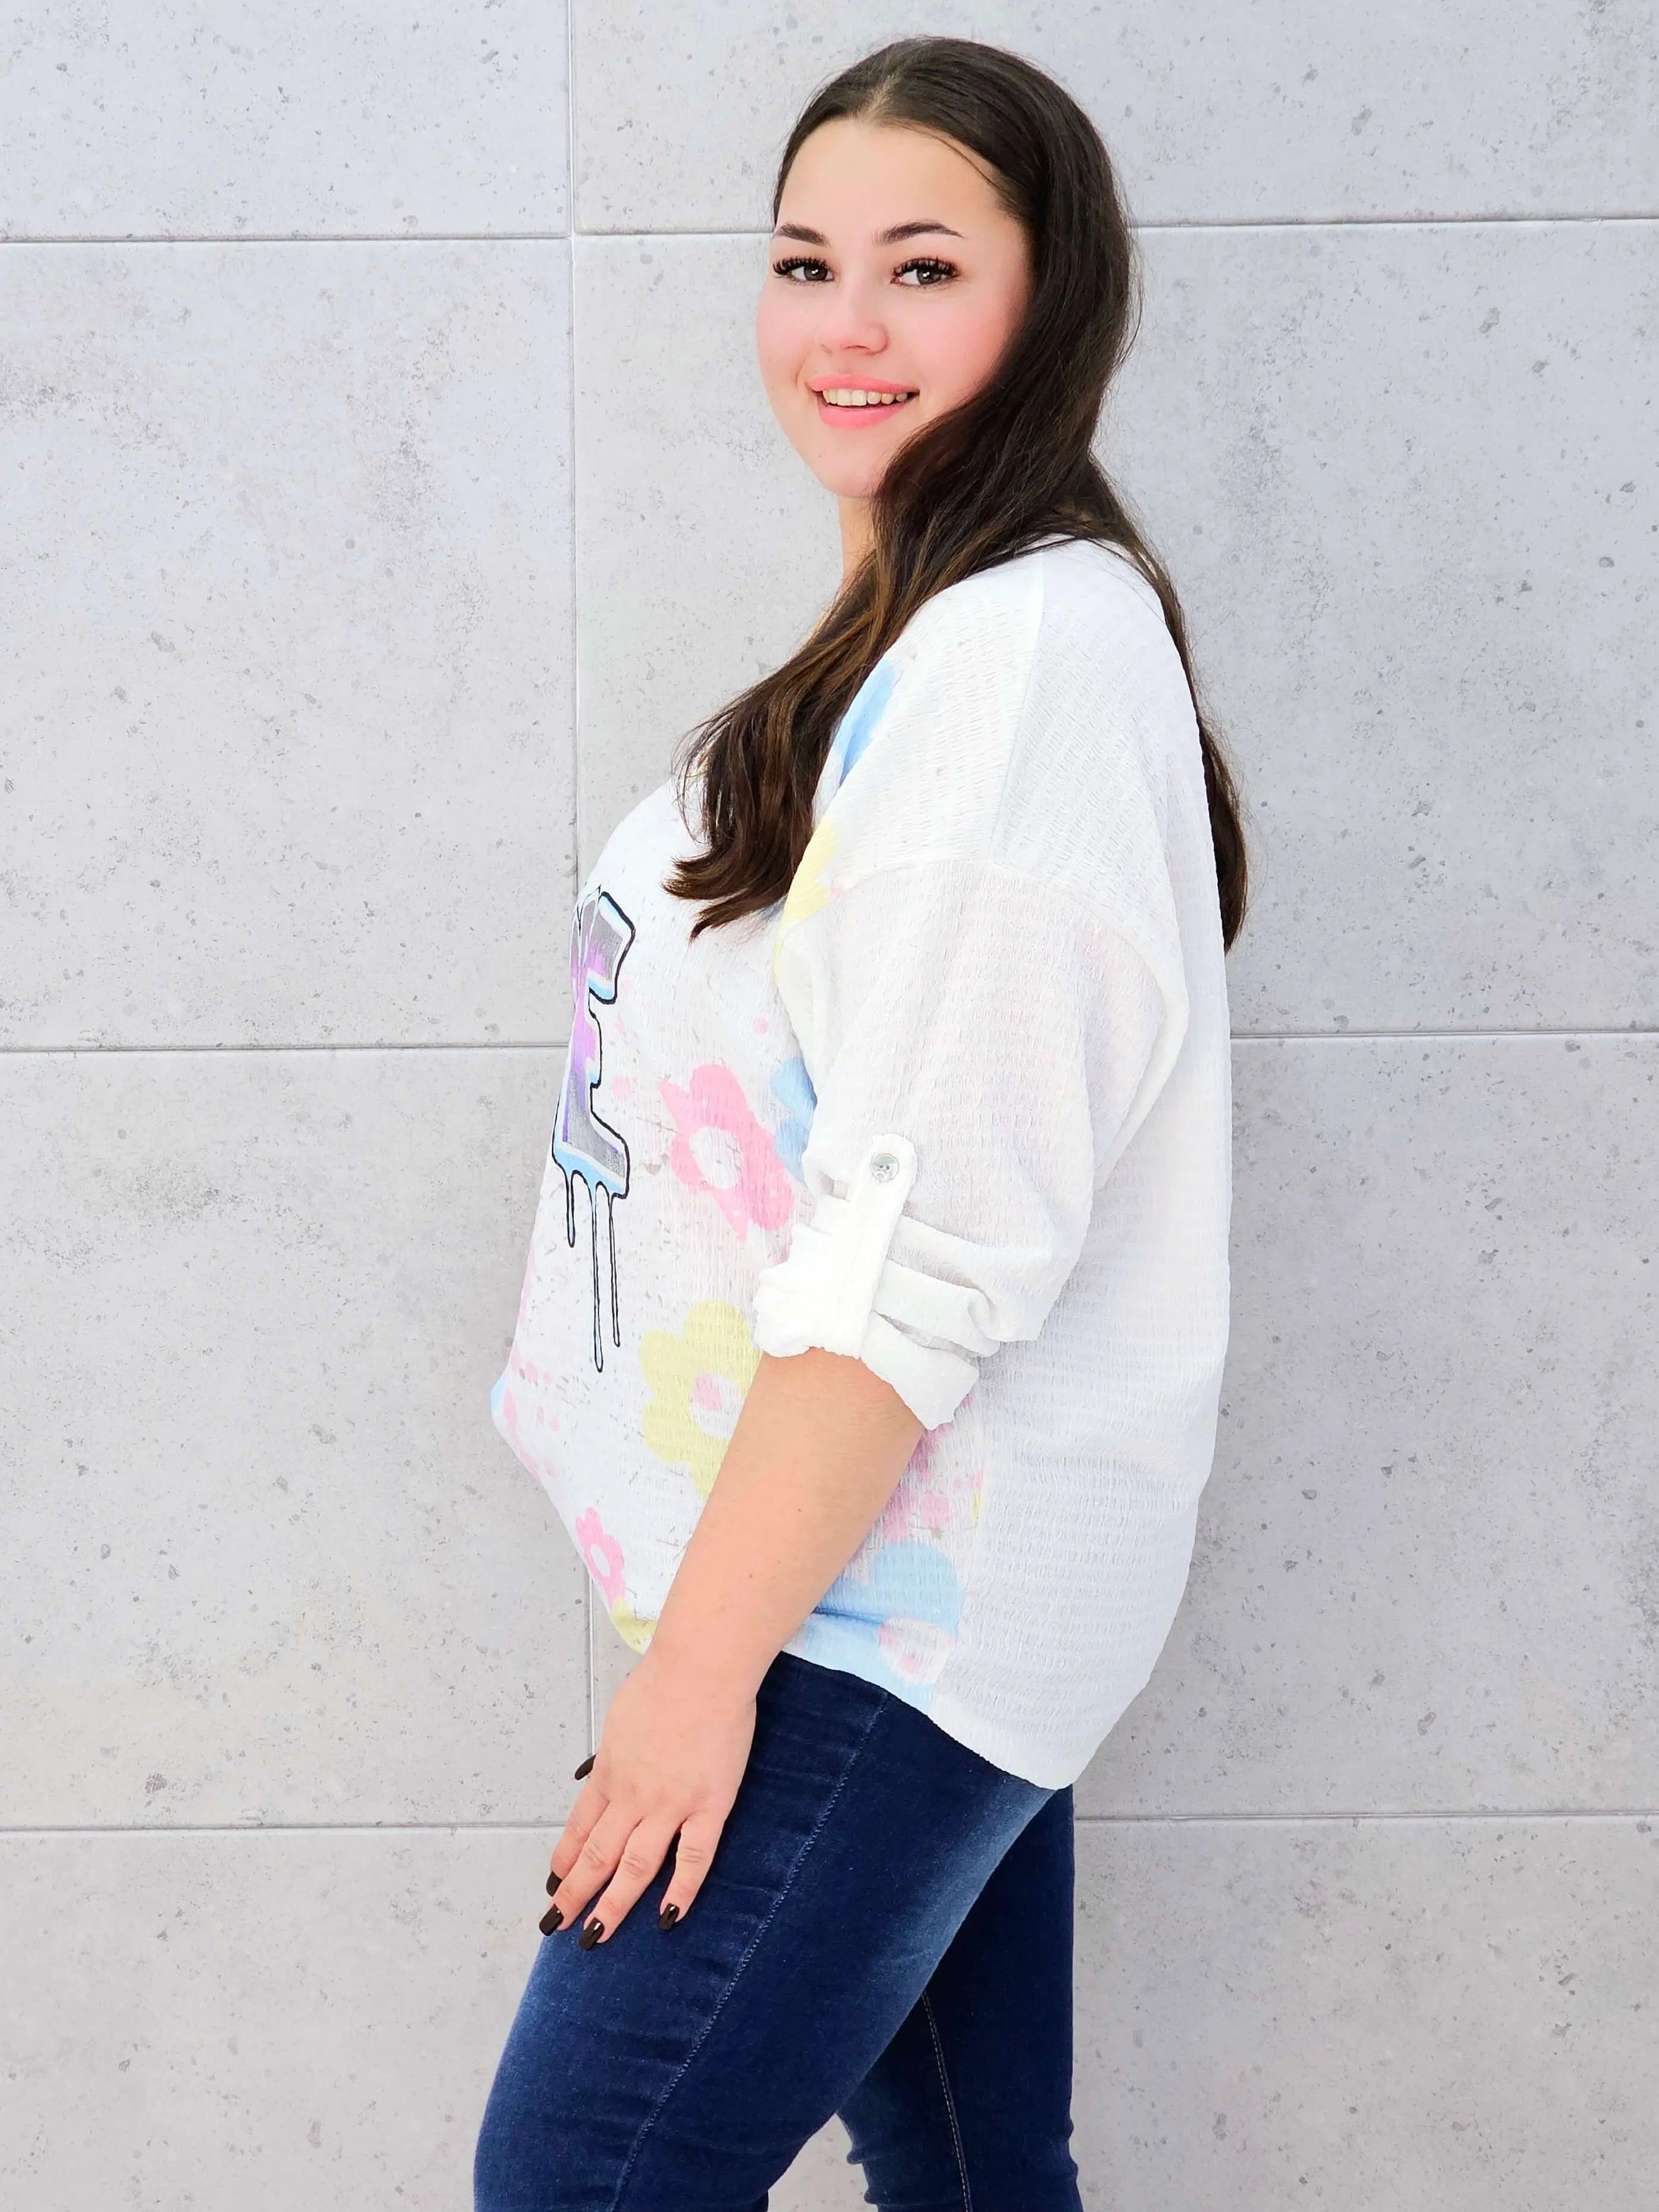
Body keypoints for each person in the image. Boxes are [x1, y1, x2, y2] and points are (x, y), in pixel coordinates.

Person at [473, 33, 1248, 2211]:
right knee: (974, 2175)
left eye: (924, 268)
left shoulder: (1020, 665)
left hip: (877, 1607)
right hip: (872, 1573)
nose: (846, 325)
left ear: (1051, 300)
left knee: (586, 2175)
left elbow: (918, 1248)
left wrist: (701, 1681)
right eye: (806, 261)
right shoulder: (939, 629)